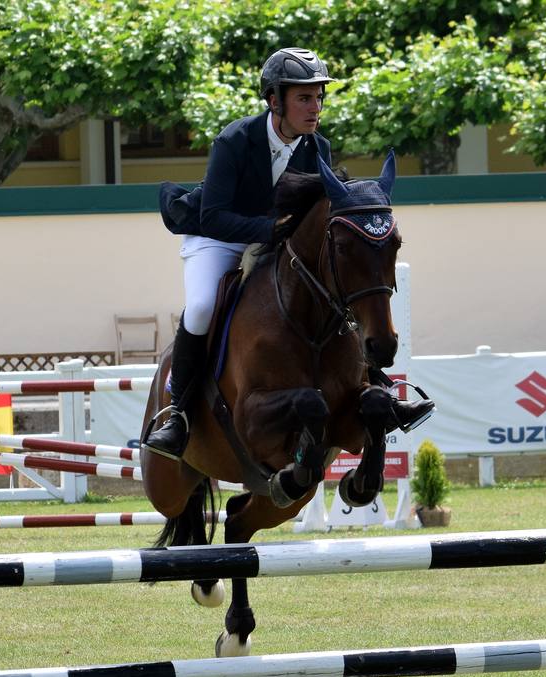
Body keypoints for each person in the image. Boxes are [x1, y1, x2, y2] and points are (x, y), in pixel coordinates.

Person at [148, 47, 429, 459]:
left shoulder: (318, 148)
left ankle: (377, 386)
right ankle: (180, 414)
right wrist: (270, 229)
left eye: (318, 97)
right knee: (204, 306)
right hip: (217, 236)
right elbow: (214, 216)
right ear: (274, 100)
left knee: (330, 293)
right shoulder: (235, 140)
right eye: (304, 97)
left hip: (276, 240)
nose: (314, 107)